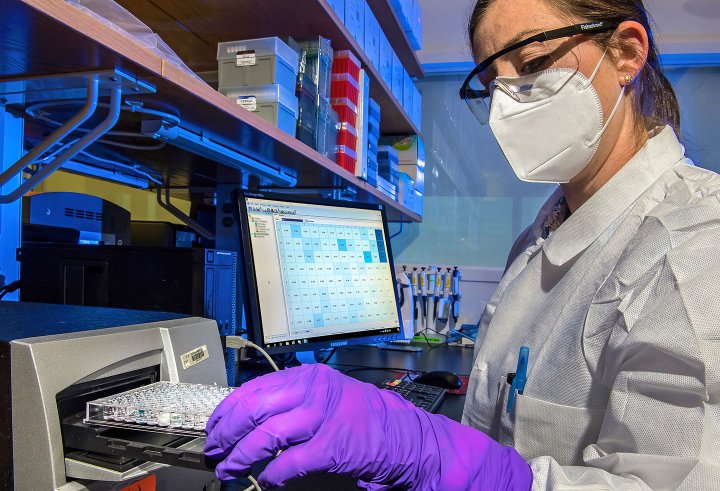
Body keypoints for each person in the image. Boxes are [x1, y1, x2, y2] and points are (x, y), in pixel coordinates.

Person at [205, 0, 720, 488]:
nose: (507, 107)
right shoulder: (542, 234)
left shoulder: (696, 246)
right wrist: (424, 449)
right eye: (494, 86)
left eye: (533, 63)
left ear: (626, 52)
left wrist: (429, 453)